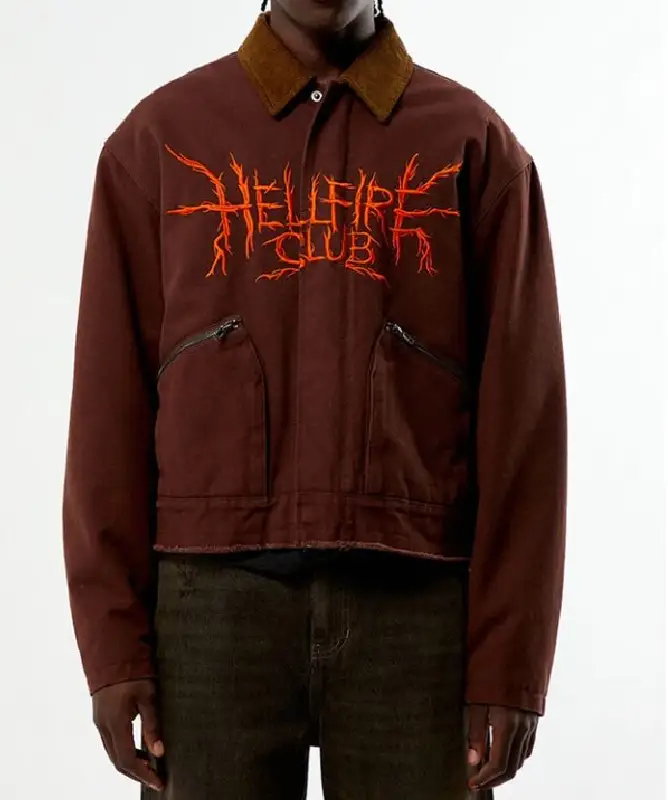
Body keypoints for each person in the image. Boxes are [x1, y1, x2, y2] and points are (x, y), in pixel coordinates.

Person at [62, 0, 567, 797]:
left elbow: (525, 428)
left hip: (417, 615)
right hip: (210, 612)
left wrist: (511, 658)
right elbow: (107, 409)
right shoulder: (161, 141)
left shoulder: (473, 147)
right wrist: (113, 646)